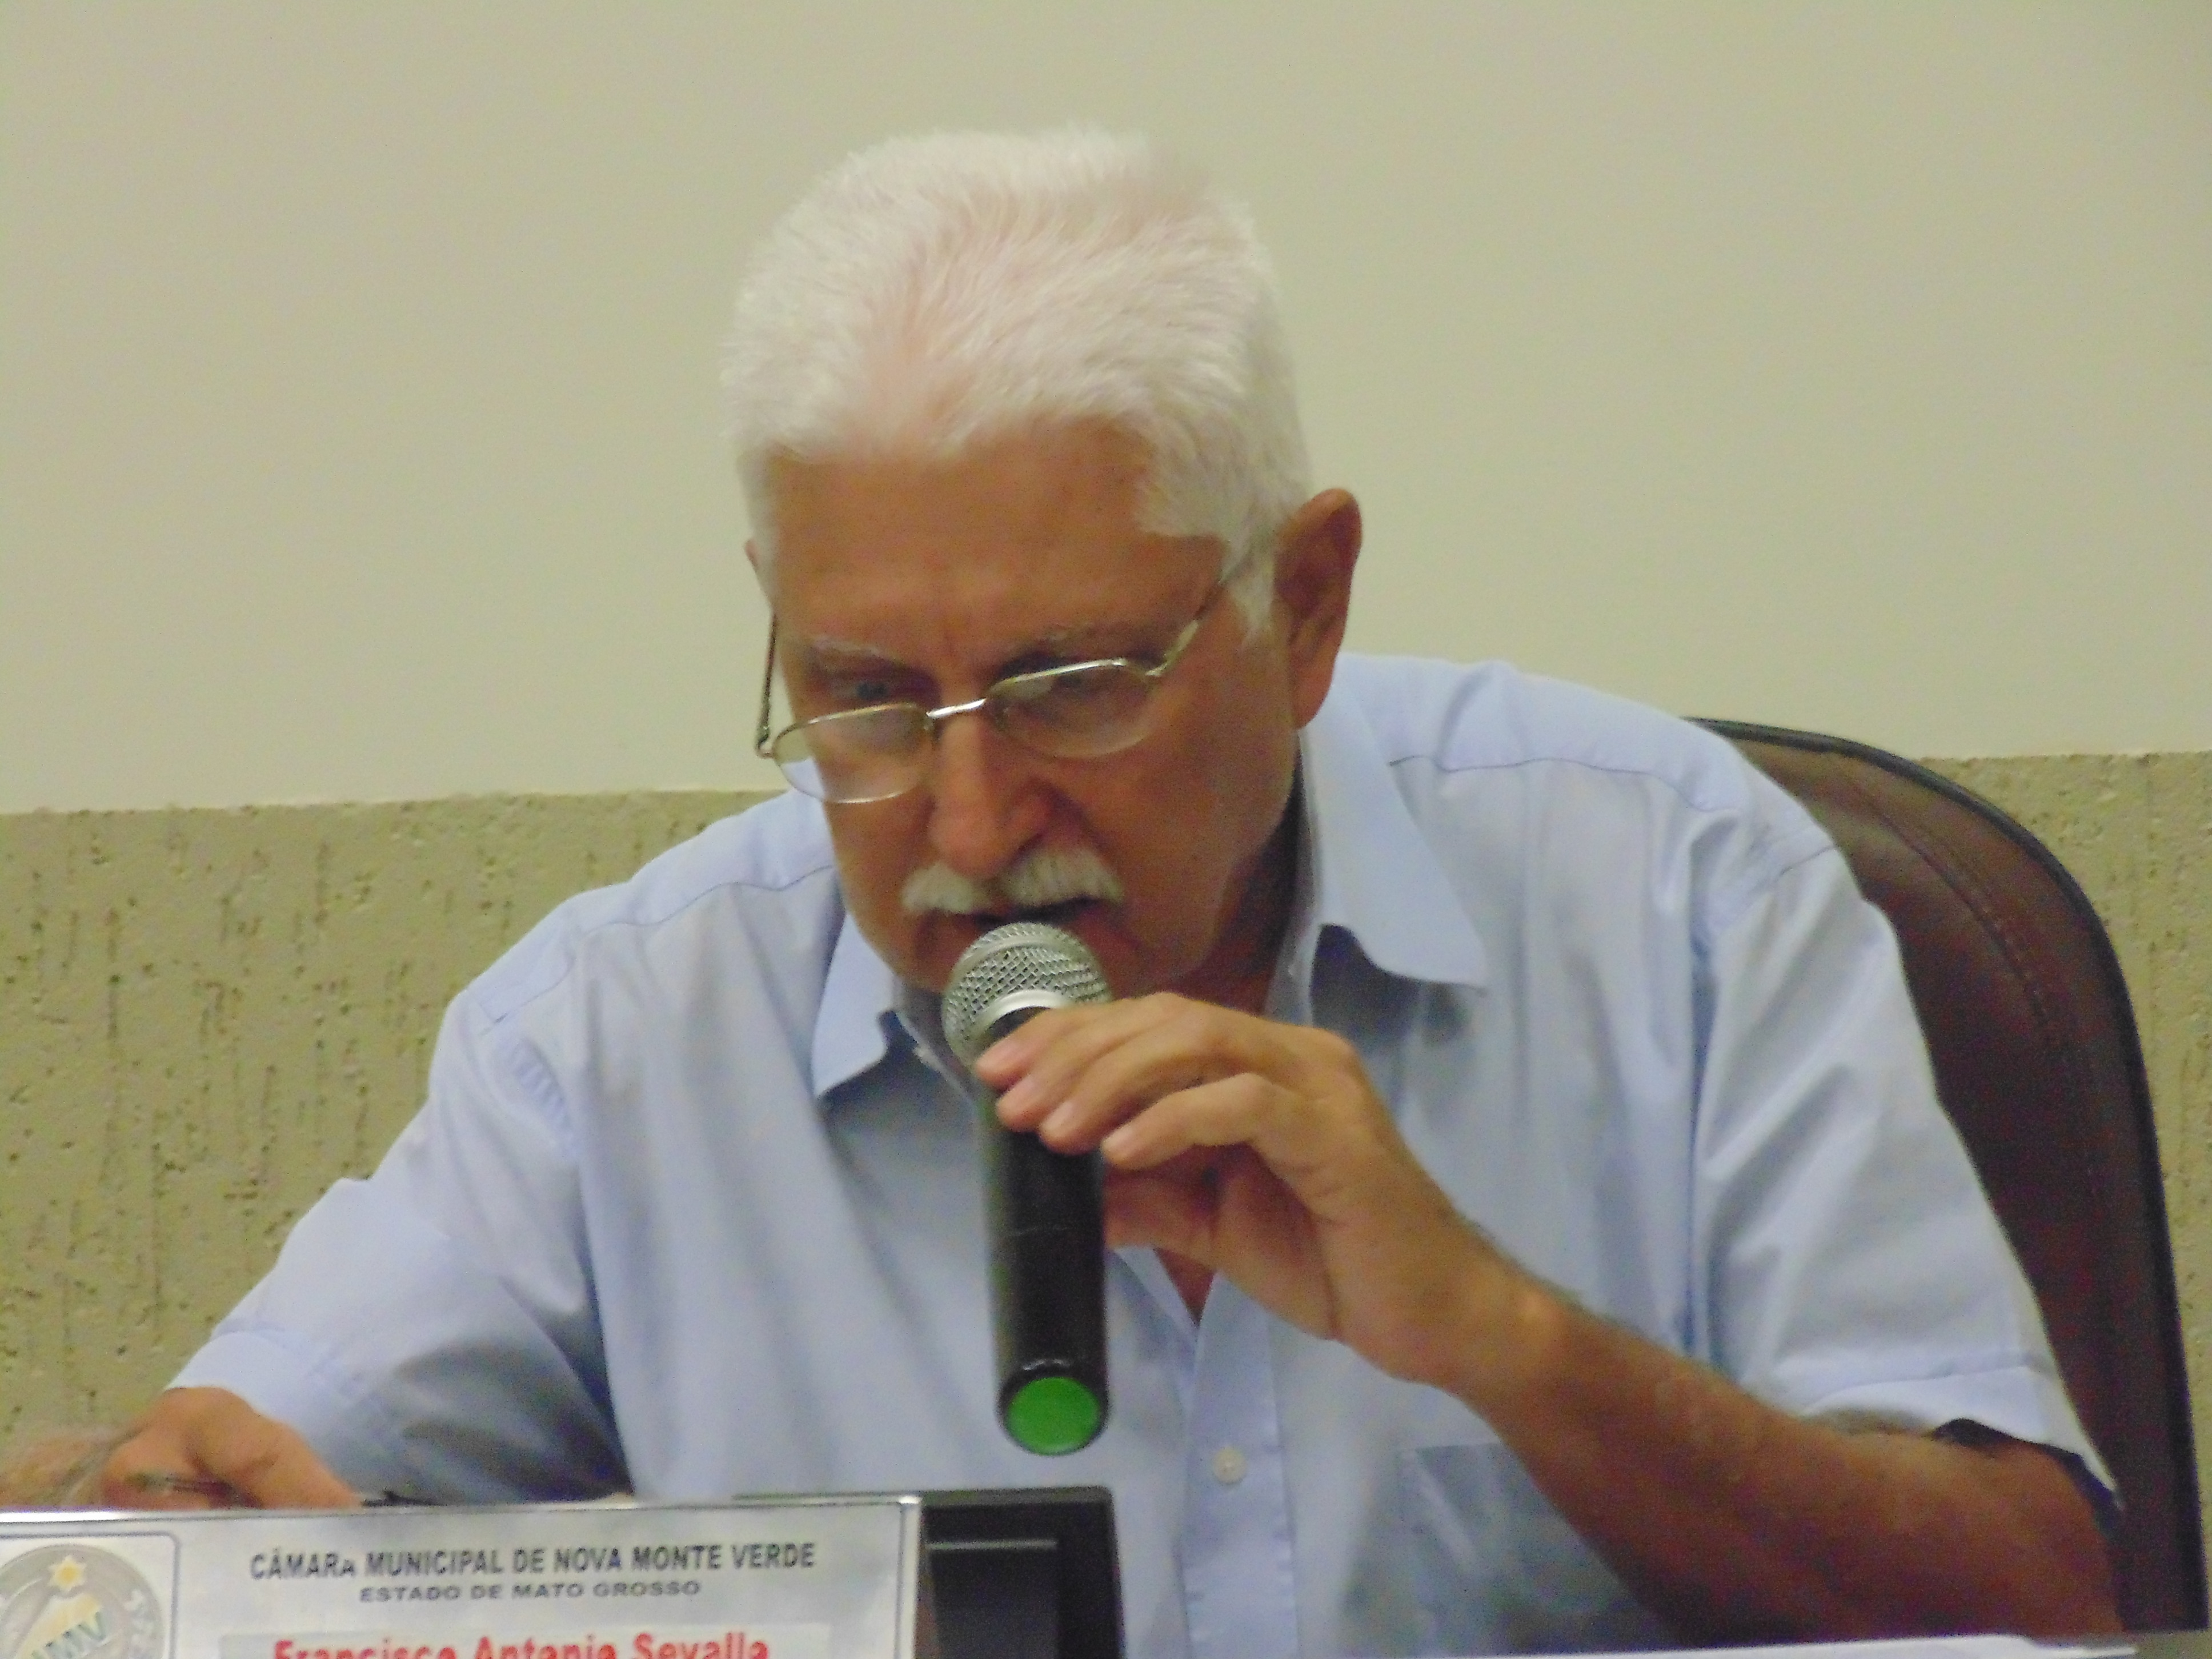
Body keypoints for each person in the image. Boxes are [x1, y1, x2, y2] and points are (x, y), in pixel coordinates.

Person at [85, 130, 2115, 1654]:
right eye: (869, 700)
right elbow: (184, 1508)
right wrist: (137, 1526)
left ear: (1301, 606)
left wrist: (1500, 1334)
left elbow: (2044, 1604)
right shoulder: (617, 1034)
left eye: (1071, 687)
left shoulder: (1676, 893)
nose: (972, 827)